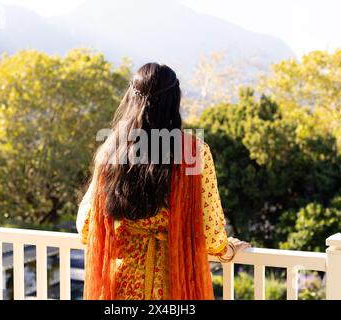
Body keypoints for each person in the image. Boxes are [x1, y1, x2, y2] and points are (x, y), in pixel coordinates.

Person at [77, 62, 250, 300]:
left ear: (131, 98)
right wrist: (227, 250)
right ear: (174, 101)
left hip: (123, 286)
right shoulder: (193, 152)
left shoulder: (112, 151)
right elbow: (211, 235)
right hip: (174, 284)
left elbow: (87, 226)